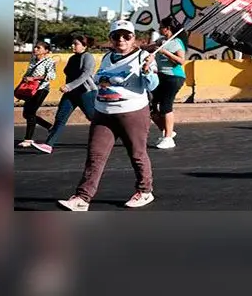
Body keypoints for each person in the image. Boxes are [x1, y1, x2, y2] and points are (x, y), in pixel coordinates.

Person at [58, 20, 159, 211]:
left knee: (137, 154)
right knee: (95, 155)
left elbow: (152, 86)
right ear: (110, 39)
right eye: (116, 36)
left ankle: (145, 191)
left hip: (133, 113)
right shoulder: (107, 57)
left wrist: (147, 71)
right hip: (103, 112)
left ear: (133, 38)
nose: (121, 39)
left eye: (126, 36)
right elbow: (100, 81)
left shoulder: (143, 57)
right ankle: (82, 198)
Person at [33, 35, 97, 154]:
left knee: (94, 118)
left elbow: (86, 75)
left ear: (85, 46)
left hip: (85, 93)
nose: (73, 46)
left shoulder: (88, 57)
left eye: (76, 44)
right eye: (72, 43)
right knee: (60, 118)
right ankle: (48, 144)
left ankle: (114, 133)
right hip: (71, 94)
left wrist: (69, 86)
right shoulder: (72, 58)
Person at [149, 16, 187, 149]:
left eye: (161, 27)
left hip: (173, 77)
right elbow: (149, 48)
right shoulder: (160, 41)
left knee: (166, 106)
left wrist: (165, 52)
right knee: (150, 105)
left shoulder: (177, 42)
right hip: (160, 76)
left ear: (168, 29)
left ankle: (169, 138)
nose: (159, 29)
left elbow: (181, 61)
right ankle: (167, 130)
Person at [17, 41, 57, 148]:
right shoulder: (33, 60)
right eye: (35, 47)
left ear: (46, 51)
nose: (35, 49)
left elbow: (52, 76)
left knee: (30, 113)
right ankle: (49, 127)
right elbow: (28, 72)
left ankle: (28, 139)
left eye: (39, 48)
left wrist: (34, 78)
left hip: (41, 89)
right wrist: (23, 82)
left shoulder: (49, 61)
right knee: (26, 114)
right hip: (30, 89)